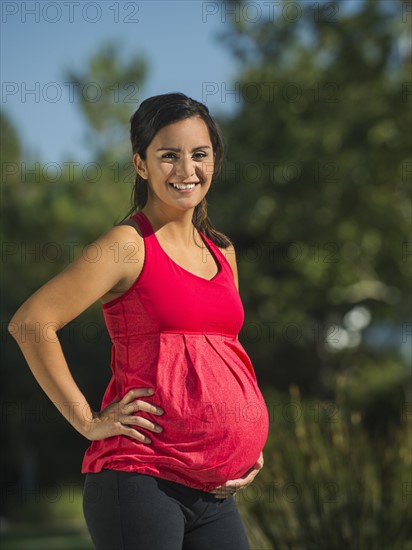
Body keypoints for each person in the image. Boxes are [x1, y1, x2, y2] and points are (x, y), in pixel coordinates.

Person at [8, 92, 270, 550]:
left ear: (215, 161)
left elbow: (222, 357)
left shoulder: (223, 251)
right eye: (168, 155)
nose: (187, 170)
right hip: (140, 480)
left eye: (200, 154)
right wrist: (88, 421)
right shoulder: (128, 245)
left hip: (215, 491)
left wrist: (244, 442)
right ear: (141, 164)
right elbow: (32, 323)